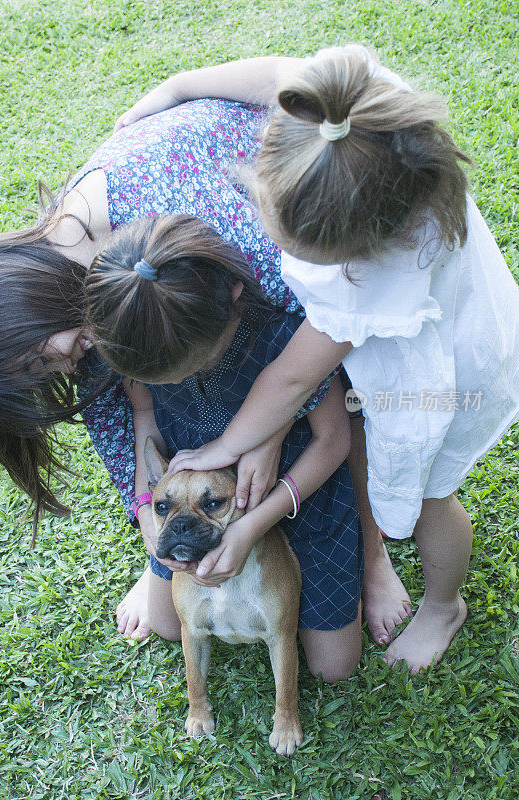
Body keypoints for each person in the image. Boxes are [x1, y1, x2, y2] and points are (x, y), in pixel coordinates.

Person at [0, 96, 408, 646]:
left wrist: (266, 428)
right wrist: (157, 536)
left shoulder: (172, 212)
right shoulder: (69, 327)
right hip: (258, 325)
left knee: (354, 393)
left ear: (17, 304)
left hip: (333, 272)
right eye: (39, 375)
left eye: (39, 358)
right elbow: (127, 429)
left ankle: (373, 555)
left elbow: (333, 313)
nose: (60, 366)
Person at [118, 45, 519, 673]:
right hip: (405, 344)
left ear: (348, 252)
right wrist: (177, 85)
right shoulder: (349, 106)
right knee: (361, 436)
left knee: (432, 497)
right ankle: (378, 556)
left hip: (438, 377)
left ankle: (443, 605)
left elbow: (294, 376)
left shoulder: (376, 270)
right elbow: (284, 75)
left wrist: (226, 447)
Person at [85, 212, 363, 680]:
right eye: (161, 377)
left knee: (333, 668)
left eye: (184, 366)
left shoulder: (282, 336)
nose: (174, 382)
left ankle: (372, 562)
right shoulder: (135, 335)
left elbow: (335, 439)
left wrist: (249, 526)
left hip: (301, 493)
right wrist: (147, 510)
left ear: (231, 299)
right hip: (199, 503)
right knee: (168, 627)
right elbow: (144, 419)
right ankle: (156, 568)